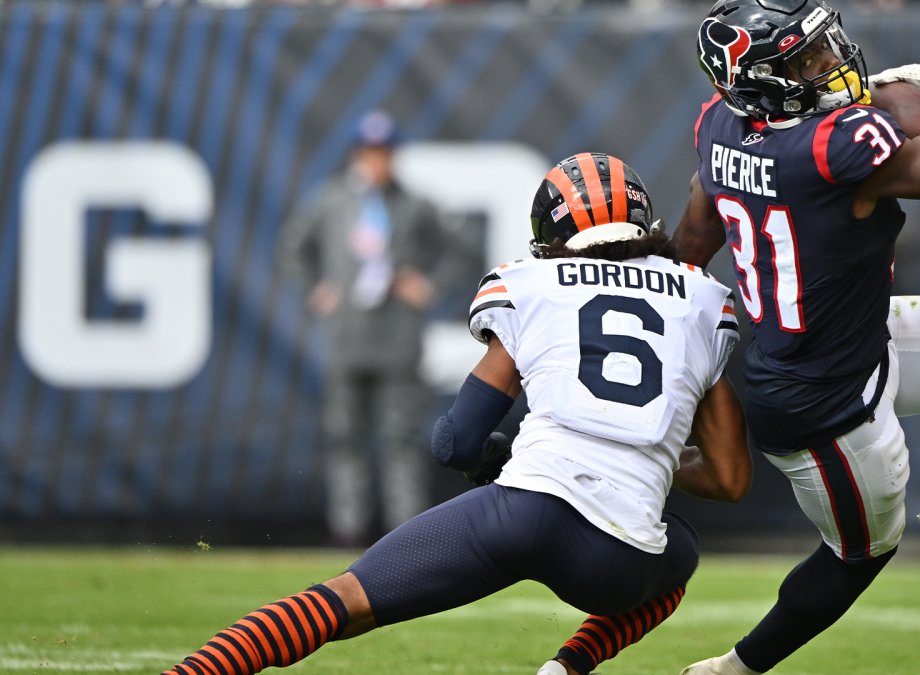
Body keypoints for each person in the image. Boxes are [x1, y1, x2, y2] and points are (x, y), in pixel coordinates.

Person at [165, 152, 752, 675]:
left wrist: (496, 456)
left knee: (344, 602)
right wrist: (642, 458)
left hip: (521, 509)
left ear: (551, 233)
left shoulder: (534, 283)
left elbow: (456, 442)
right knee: (679, 552)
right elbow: (729, 478)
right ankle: (569, 667)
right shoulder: (701, 302)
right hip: (617, 556)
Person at [675, 1, 920, 673]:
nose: (830, 61)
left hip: (862, 335)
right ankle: (733, 669)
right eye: (805, 59)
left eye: (825, 44)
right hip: (823, 400)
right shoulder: (834, 146)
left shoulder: (719, 125)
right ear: (760, 82)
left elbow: (693, 240)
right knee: (858, 556)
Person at [278, 109, 451, 547]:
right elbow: (293, 247)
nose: (378, 162)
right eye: (371, 153)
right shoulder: (333, 201)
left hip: (397, 341)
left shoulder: (414, 204)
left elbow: (458, 247)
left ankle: (404, 533)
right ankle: (348, 530)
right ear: (358, 155)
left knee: (401, 439)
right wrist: (315, 288)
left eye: (385, 153)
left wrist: (429, 284)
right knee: (344, 438)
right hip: (347, 339)